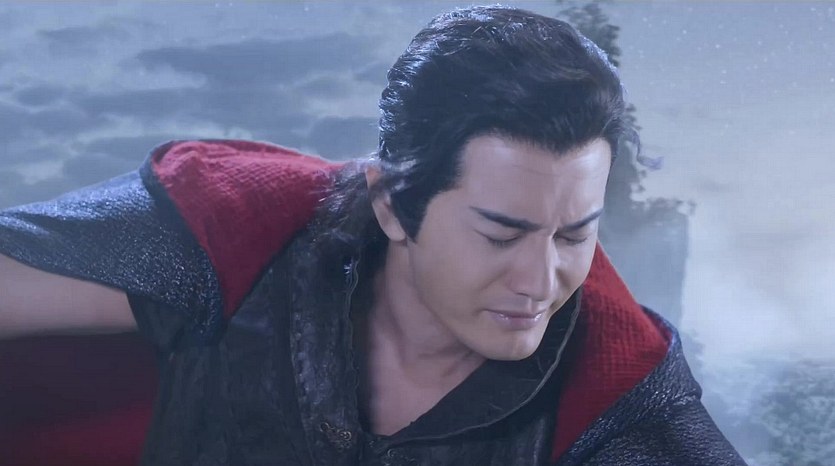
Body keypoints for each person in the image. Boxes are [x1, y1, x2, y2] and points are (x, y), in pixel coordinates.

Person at [0, 5, 747, 465]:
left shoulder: (616, 389)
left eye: (574, 236)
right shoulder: (240, 232)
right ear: (391, 204)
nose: (538, 283)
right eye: (500, 235)